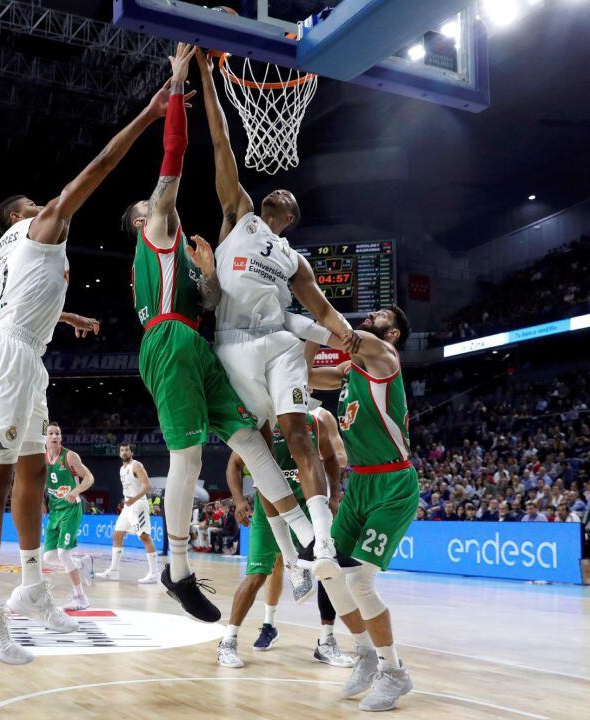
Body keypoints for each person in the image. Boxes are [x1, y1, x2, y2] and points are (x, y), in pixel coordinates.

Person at [0, 63, 173, 665]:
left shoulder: (12, 255)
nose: (44, 203)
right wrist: (150, 115)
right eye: (31, 202)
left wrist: (67, 318)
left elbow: (24, 302)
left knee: (30, 474)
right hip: (7, 358)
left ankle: (32, 587)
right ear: (18, 217)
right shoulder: (37, 228)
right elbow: (101, 165)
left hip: (28, 354)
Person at [119, 44, 322, 620]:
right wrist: (182, 80)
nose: (162, 203)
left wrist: (208, 276)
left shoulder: (185, 252)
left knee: (251, 441)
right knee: (186, 459)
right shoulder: (156, 226)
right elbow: (176, 153)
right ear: (141, 220)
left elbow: (206, 301)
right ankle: (177, 569)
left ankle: (306, 535)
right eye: (152, 204)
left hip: (197, 341)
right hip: (167, 342)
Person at [194, 48, 359, 581]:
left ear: (289, 217)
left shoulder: (293, 258)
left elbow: (319, 306)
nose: (280, 191)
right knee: (258, 448)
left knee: (299, 433)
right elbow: (221, 141)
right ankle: (295, 552)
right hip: (234, 343)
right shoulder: (238, 213)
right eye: (278, 190)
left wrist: (345, 332)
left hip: (278, 342)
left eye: (288, 198)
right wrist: (205, 75)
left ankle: (324, 543)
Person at [306, 307, 417, 712]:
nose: (369, 317)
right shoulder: (347, 374)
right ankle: (367, 655)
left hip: (392, 483)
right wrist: (305, 337)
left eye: (379, 316)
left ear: (395, 334)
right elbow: (303, 377)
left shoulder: (386, 360)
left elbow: (344, 334)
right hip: (360, 485)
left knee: (361, 582)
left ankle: (396, 673)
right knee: (329, 572)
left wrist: (306, 312)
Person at [217, 408, 354, 669]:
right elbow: (234, 465)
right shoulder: (263, 425)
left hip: (306, 508)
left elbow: (333, 459)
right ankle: (228, 642)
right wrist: (237, 501)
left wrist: (334, 495)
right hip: (269, 510)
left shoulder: (315, 423)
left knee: (328, 571)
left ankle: (326, 642)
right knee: (257, 575)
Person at [42, 422, 95, 610]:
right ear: (45, 437)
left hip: (71, 509)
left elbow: (89, 477)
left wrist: (77, 490)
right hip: (55, 511)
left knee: (64, 554)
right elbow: (41, 483)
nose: (54, 436)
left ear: (61, 437)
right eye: (50, 433)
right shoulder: (42, 458)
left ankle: (81, 597)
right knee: (48, 556)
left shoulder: (70, 456)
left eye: (57, 433)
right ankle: (82, 563)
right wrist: (42, 502)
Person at [95, 443, 159, 584]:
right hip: (128, 506)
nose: (124, 452)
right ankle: (113, 571)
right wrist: (128, 502)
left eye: (127, 450)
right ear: (119, 453)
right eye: (122, 450)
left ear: (131, 452)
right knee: (117, 535)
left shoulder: (136, 465)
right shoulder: (121, 469)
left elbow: (147, 486)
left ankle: (154, 573)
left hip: (138, 504)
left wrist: (134, 499)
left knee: (144, 537)